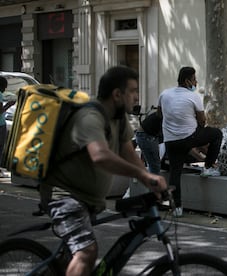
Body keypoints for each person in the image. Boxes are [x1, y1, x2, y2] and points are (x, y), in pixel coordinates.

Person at [40, 66, 167, 276]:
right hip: (64, 196)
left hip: (88, 199)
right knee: (86, 252)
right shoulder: (89, 117)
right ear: (117, 94)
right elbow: (100, 156)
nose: (137, 97)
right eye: (133, 91)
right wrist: (142, 175)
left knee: (69, 260)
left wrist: (150, 181)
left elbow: (128, 153)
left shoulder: (118, 118)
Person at [158, 66, 223, 217]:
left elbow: (159, 114)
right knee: (217, 134)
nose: (196, 82)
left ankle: (177, 208)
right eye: (194, 79)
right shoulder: (193, 97)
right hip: (189, 137)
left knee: (175, 173)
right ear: (187, 81)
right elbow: (202, 120)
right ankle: (208, 167)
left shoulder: (164, 94)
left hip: (171, 141)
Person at [0, 76, 15, 177]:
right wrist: (9, 104)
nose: (5, 89)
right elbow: (0, 110)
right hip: (0, 124)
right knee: (0, 147)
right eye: (4, 87)